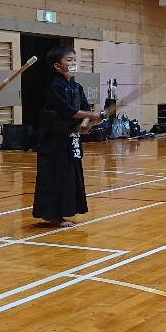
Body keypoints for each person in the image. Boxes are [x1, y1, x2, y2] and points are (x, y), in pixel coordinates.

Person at [32, 46, 105, 228]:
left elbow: (85, 109)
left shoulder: (77, 87)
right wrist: (91, 116)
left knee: (70, 175)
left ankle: (64, 211)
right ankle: (54, 216)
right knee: (55, 176)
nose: (73, 63)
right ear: (58, 66)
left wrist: (86, 124)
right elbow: (68, 111)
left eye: (74, 59)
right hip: (54, 140)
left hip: (71, 138)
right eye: (69, 60)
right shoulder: (54, 86)